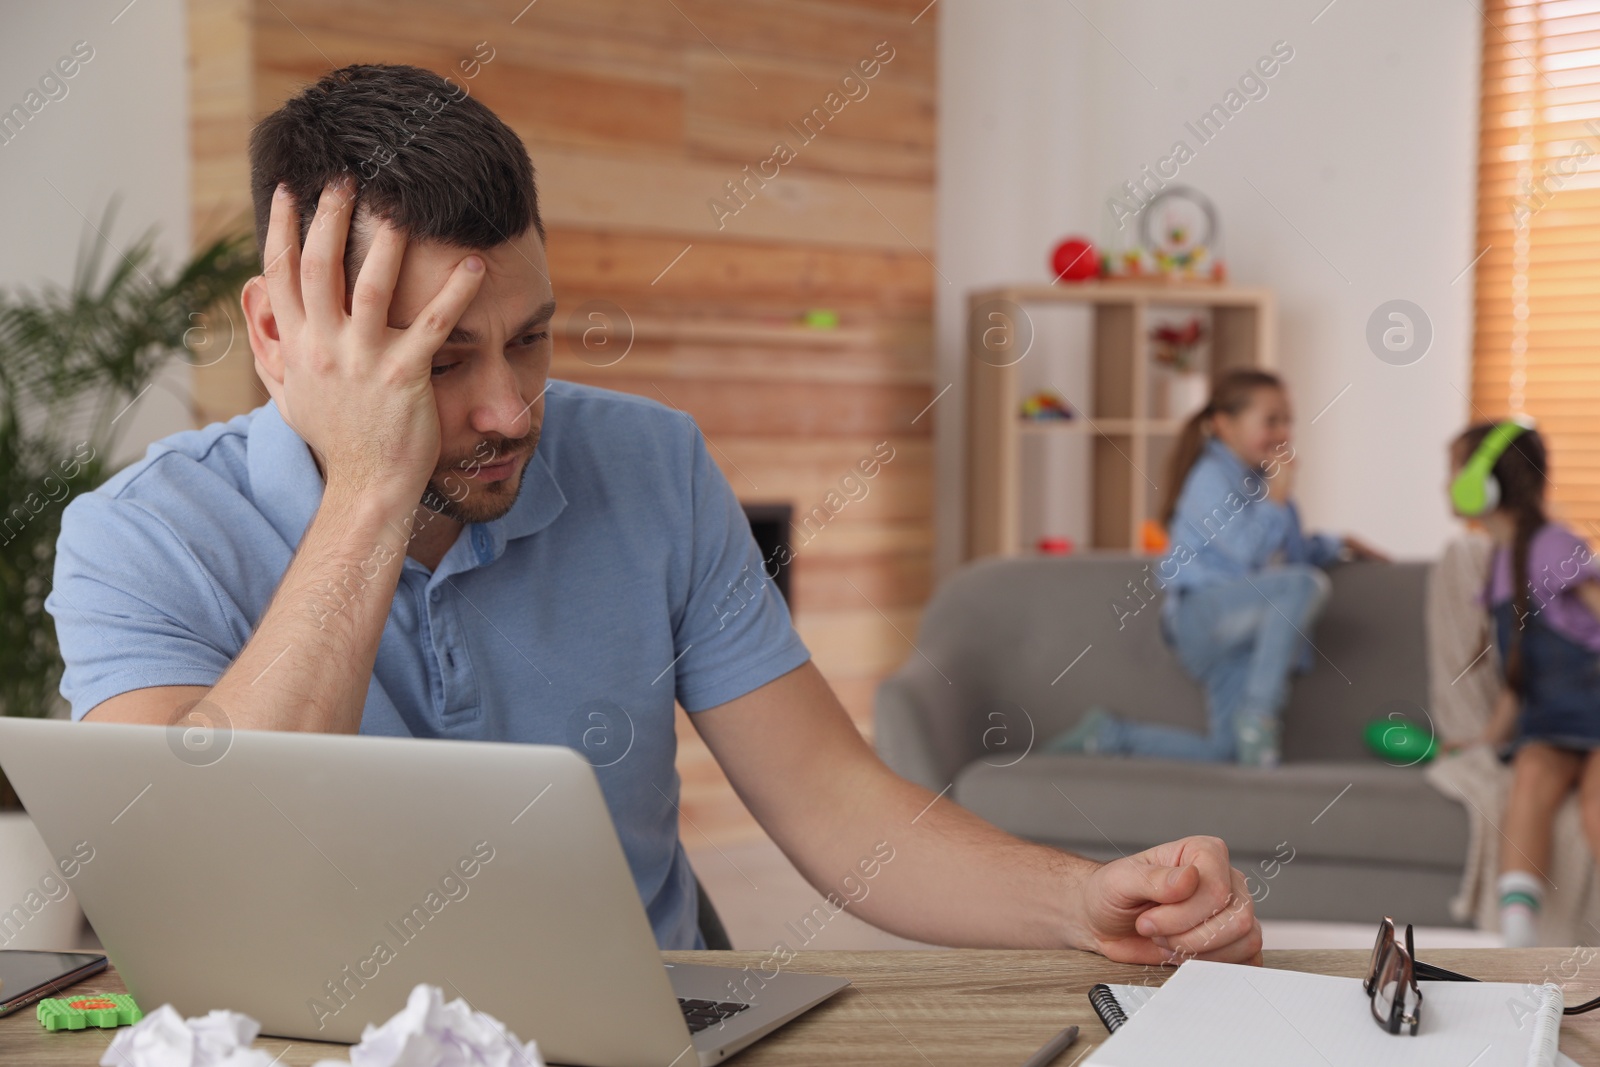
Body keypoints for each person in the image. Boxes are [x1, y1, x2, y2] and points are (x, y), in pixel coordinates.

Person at [45, 64, 1261, 966]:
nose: (513, 408)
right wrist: (369, 486)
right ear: (278, 335)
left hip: (648, 1031)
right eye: (440, 360)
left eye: (529, 337)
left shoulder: (650, 462)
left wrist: (1079, 900)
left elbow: (834, 804)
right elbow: (206, 856)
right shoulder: (139, 534)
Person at [1048, 369, 1385, 766]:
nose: (1283, 433)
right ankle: (1259, 716)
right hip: (1202, 618)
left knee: (1226, 752)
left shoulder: (1269, 487)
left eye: (1288, 421)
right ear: (1224, 425)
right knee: (1302, 587)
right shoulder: (1210, 478)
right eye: (1271, 420)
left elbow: (1289, 557)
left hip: (1245, 635)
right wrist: (1276, 500)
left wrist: (1339, 543)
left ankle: (1108, 736)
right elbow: (1247, 552)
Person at [1443, 421, 1600, 947]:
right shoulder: (1498, 565)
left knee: (1596, 805)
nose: (1447, 485)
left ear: (1484, 483)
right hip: (1549, 722)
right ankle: (1518, 936)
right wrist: (1486, 741)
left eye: (1455, 471)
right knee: (1529, 777)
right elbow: (1517, 679)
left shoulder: (1554, 545)